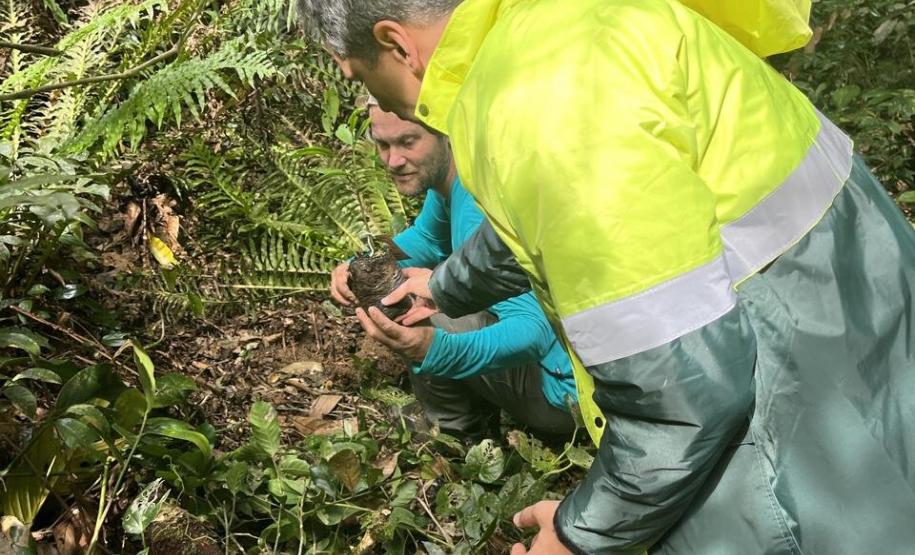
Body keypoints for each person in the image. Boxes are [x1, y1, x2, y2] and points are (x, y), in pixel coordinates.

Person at [301, 1, 915, 554]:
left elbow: (683, 396)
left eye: (362, 75)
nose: (383, 105)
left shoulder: (536, 101)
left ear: (397, 44)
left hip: (792, 441)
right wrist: (442, 287)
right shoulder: (566, 27)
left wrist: (577, 537)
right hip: (859, 349)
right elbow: (571, 212)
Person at [330, 99, 578, 442]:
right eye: (383, 144)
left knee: (413, 309)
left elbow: (532, 331)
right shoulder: (457, 175)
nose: (393, 160)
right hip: (578, 371)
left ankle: (452, 439)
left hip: (566, 398)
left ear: (446, 132)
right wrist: (360, 265)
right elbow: (427, 239)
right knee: (411, 284)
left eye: (408, 141)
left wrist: (434, 350)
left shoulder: (479, 205)